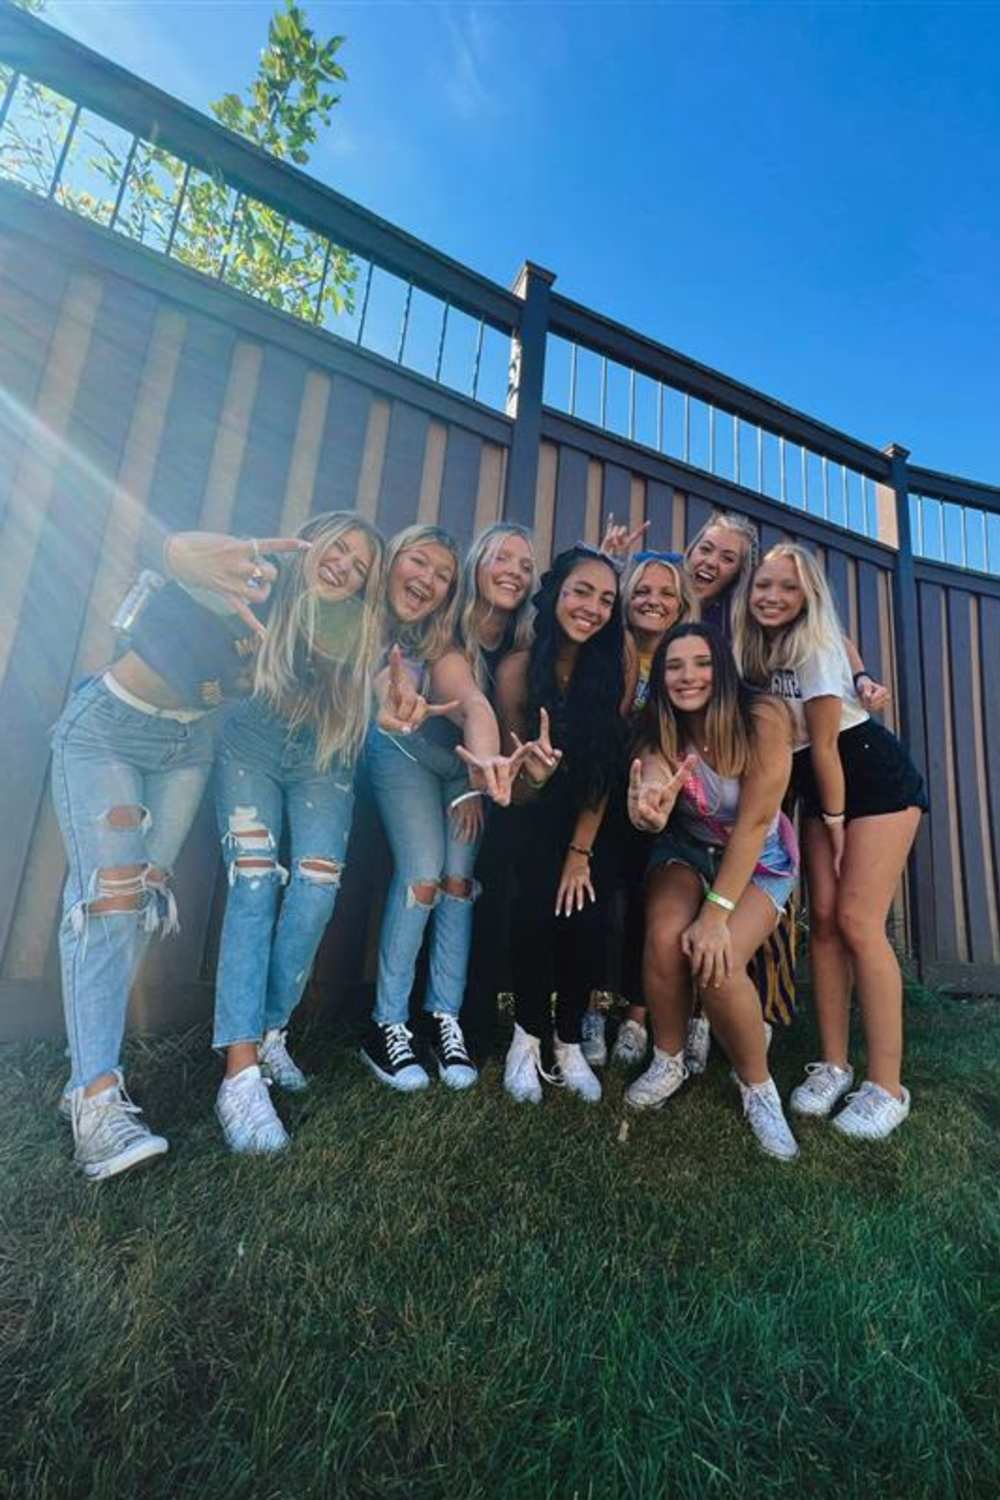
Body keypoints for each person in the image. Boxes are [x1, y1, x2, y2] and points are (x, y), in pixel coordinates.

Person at [52, 527, 308, 1179]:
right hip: (108, 729)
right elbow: (146, 543)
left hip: (185, 751)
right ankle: (97, 1104)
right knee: (108, 903)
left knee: (134, 905)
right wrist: (175, 554)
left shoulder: (291, 624)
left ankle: (86, 1076)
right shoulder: (220, 568)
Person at [734, 543, 927, 1139]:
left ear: (807, 597)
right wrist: (863, 672)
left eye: (787, 589)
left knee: (858, 921)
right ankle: (835, 1065)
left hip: (871, 779)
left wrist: (837, 826)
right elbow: (846, 649)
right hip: (824, 789)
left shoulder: (812, 643)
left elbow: (823, 747)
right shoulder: (760, 643)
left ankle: (888, 1087)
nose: (771, 596)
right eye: (764, 585)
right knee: (820, 920)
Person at [212, 512, 384, 1153]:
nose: (344, 565)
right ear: (310, 541)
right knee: (255, 884)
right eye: (337, 548)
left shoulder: (361, 631)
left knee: (316, 889)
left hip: (322, 756)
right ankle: (238, 1075)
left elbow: (375, 698)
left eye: (360, 565)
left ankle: (270, 1032)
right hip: (251, 741)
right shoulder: (267, 584)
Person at [625, 622, 801, 1160]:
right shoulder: (659, 727)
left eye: (700, 663)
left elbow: (755, 823)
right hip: (688, 849)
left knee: (716, 962)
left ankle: (758, 1088)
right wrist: (649, 808)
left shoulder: (764, 717)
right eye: (674, 666)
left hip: (760, 858)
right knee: (663, 935)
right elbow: (654, 781)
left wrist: (716, 914)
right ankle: (669, 1057)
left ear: (721, 668)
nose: (687, 676)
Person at [362, 524, 521, 1093]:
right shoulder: (368, 619)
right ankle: (387, 1022)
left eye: (442, 576)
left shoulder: (442, 641)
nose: (428, 581)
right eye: (420, 565)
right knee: (423, 877)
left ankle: (443, 1014)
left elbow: (475, 705)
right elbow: (387, 682)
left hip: (458, 772)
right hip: (402, 755)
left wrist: (481, 775)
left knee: (459, 882)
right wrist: (392, 695)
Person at [496, 545, 627, 1105]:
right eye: (581, 592)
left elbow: (605, 771)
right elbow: (513, 788)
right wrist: (539, 777)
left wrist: (581, 851)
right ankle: (525, 1037)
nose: (592, 608)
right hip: (528, 812)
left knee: (585, 914)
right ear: (554, 596)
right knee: (531, 910)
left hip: (591, 819)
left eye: (605, 600)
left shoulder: (615, 670)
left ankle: (569, 1038)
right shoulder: (516, 671)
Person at [575, 551, 698, 1069]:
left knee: (650, 910)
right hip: (603, 797)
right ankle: (589, 1008)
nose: (653, 600)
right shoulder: (608, 650)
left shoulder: (687, 659)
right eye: (643, 590)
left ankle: (637, 1017)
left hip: (661, 801)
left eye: (666, 593)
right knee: (596, 906)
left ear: (681, 604)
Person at [456, 522, 538, 1054]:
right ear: (477, 564)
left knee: (498, 883)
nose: (513, 572)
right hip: (449, 776)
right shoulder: (451, 629)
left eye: (525, 566)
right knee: (449, 883)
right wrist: (471, 787)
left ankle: (479, 1012)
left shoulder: (523, 643)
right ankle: (438, 1008)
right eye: (502, 559)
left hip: (506, 784)